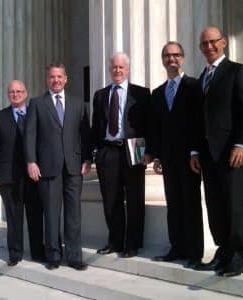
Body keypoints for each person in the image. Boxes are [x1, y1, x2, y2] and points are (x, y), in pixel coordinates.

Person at [190, 27, 243, 277]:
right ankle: (223, 251)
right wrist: (195, 151)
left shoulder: (238, 72)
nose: (208, 47)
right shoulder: (201, 80)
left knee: (234, 205)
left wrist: (242, 144)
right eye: (204, 44)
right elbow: (199, 119)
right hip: (208, 155)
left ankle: (239, 256)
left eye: (212, 42)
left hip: (232, 153)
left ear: (223, 43)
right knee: (215, 205)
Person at [25, 63, 91, 271]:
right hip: (47, 167)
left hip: (73, 166)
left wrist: (87, 159)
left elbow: (85, 135)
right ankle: (53, 255)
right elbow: (30, 135)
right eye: (52, 77)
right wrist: (31, 161)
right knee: (51, 213)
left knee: (74, 214)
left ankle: (74, 257)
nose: (56, 80)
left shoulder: (77, 103)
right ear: (47, 80)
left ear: (66, 79)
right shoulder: (37, 103)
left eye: (59, 76)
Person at [91, 52, 152, 258]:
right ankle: (115, 241)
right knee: (111, 199)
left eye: (121, 67)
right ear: (110, 70)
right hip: (108, 150)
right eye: (114, 67)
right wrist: (95, 153)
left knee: (135, 198)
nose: (117, 70)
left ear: (127, 69)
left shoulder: (142, 93)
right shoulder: (100, 95)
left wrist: (149, 152)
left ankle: (132, 243)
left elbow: (149, 125)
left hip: (134, 148)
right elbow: (95, 126)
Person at [150, 42, 204, 267]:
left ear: (182, 58)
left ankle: (194, 253)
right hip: (169, 159)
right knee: (173, 204)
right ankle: (177, 247)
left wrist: (195, 151)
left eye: (175, 55)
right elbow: (157, 128)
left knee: (191, 203)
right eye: (167, 55)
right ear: (162, 60)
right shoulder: (158, 92)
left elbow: (198, 122)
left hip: (189, 157)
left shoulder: (194, 86)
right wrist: (157, 156)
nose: (171, 59)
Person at [0, 80, 45, 266]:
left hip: (33, 175)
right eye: (12, 92)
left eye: (19, 91)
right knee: (13, 216)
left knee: (35, 215)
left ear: (26, 93)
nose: (16, 94)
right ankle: (15, 254)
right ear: (8, 94)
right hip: (8, 175)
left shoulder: (36, 115)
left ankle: (37, 252)